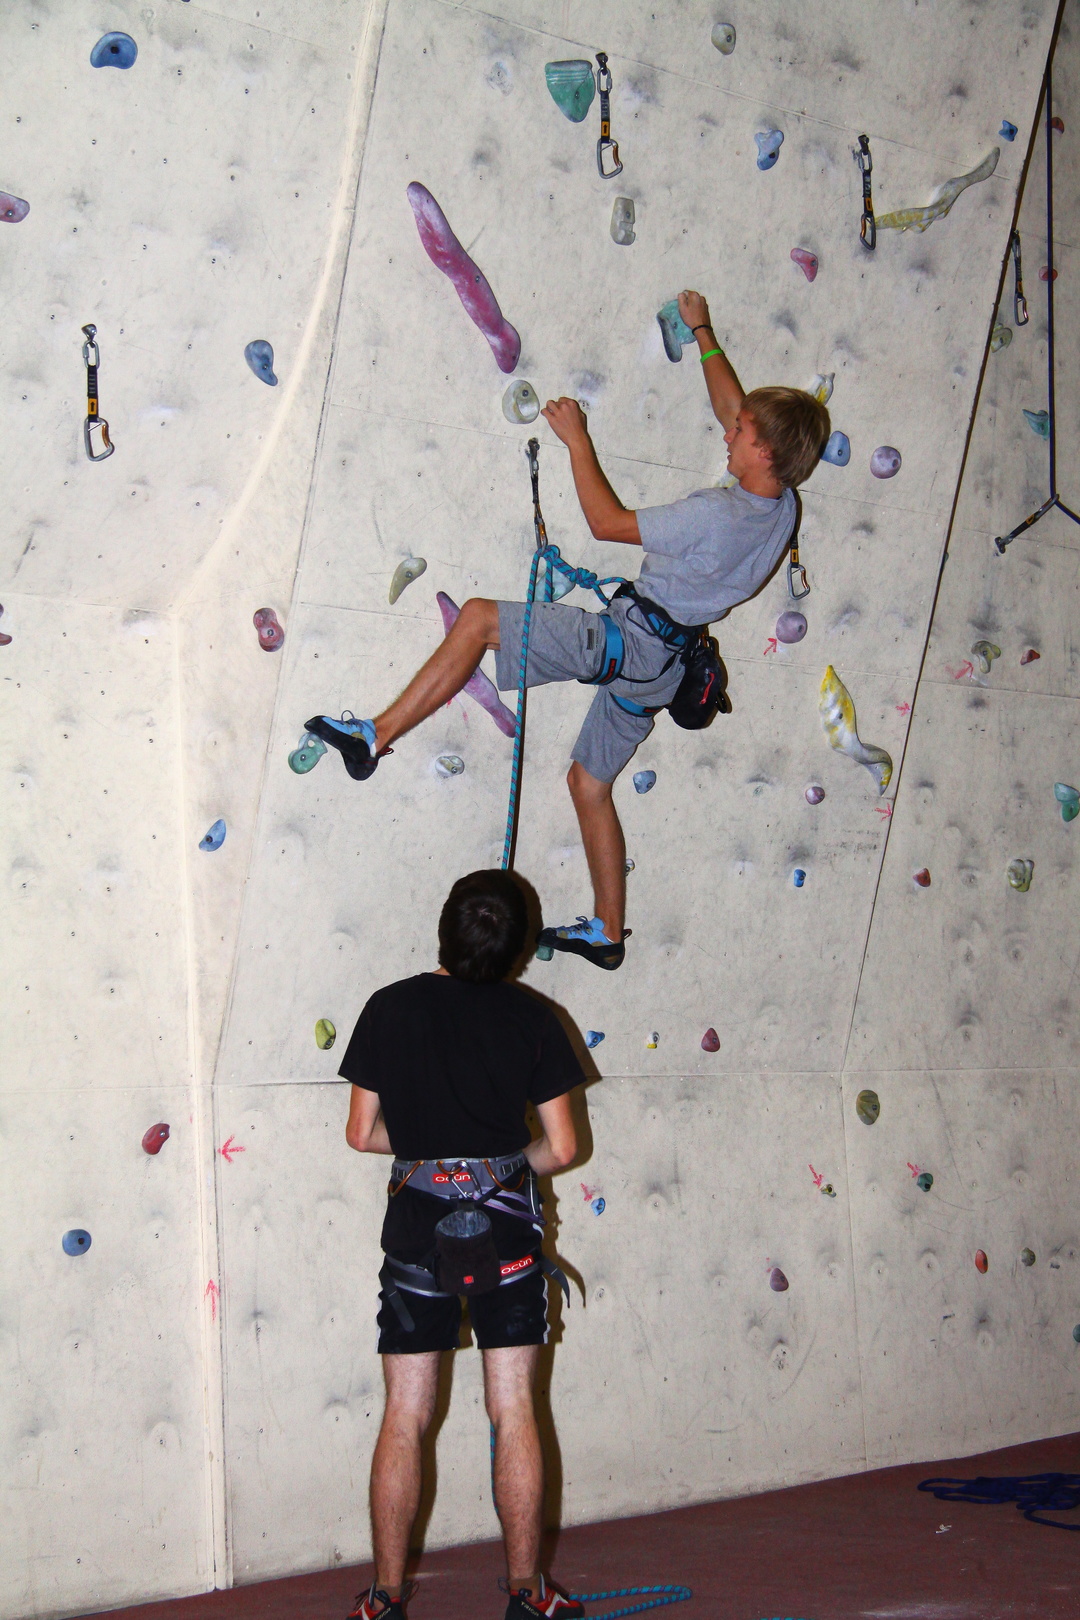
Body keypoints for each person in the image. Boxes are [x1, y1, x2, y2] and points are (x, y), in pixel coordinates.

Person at [307, 290, 830, 971]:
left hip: (632, 643)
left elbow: (608, 524)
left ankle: (372, 738)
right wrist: (702, 332)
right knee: (589, 783)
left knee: (479, 619)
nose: (728, 431)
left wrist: (578, 441)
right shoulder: (781, 506)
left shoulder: (719, 517)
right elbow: (737, 408)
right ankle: (608, 933)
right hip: (665, 668)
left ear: (765, 453)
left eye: (742, 434)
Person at [340, 870, 586, 1620]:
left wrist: (432, 1162)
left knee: (404, 1415)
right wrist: (499, 1166)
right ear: (518, 950)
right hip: (507, 1230)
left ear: (444, 928)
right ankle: (525, 1593)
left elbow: (361, 1134)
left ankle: (384, 1597)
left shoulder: (388, 1008)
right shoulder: (537, 1018)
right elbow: (563, 1147)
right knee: (513, 1408)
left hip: (418, 1232)